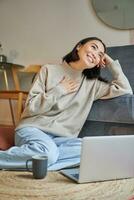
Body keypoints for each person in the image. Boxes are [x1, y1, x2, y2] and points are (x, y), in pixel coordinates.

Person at [0, 37, 133, 170]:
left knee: (91, 150)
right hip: (33, 129)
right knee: (48, 153)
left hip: (62, 141)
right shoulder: (48, 70)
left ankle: (42, 162)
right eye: (93, 47)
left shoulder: (93, 85)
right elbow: (31, 108)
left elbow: (125, 89)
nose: (95, 54)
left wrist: (110, 63)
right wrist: (59, 90)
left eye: (100, 55)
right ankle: (39, 159)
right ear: (79, 47)